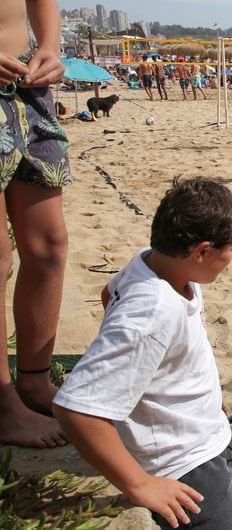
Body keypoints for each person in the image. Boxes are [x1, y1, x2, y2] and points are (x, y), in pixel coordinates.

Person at [53, 178, 232, 529]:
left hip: (195, 436)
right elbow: (76, 408)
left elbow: (108, 293)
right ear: (202, 251)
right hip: (185, 464)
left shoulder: (151, 262)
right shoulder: (152, 312)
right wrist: (140, 484)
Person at [0, 0, 71, 449]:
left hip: (26, 85)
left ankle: (33, 381)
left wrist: (48, 46)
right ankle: (4, 405)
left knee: (49, 247)